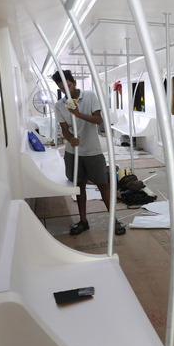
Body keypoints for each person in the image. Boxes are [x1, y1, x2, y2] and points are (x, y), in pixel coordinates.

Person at [52, 70, 126, 236]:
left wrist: (78, 114)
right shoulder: (58, 105)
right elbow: (64, 130)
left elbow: (98, 120)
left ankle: (114, 219)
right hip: (73, 152)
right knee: (79, 186)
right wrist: (71, 139)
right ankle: (83, 221)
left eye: (69, 86)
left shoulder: (90, 96)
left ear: (75, 83)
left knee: (102, 185)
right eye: (62, 88)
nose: (67, 91)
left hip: (92, 150)